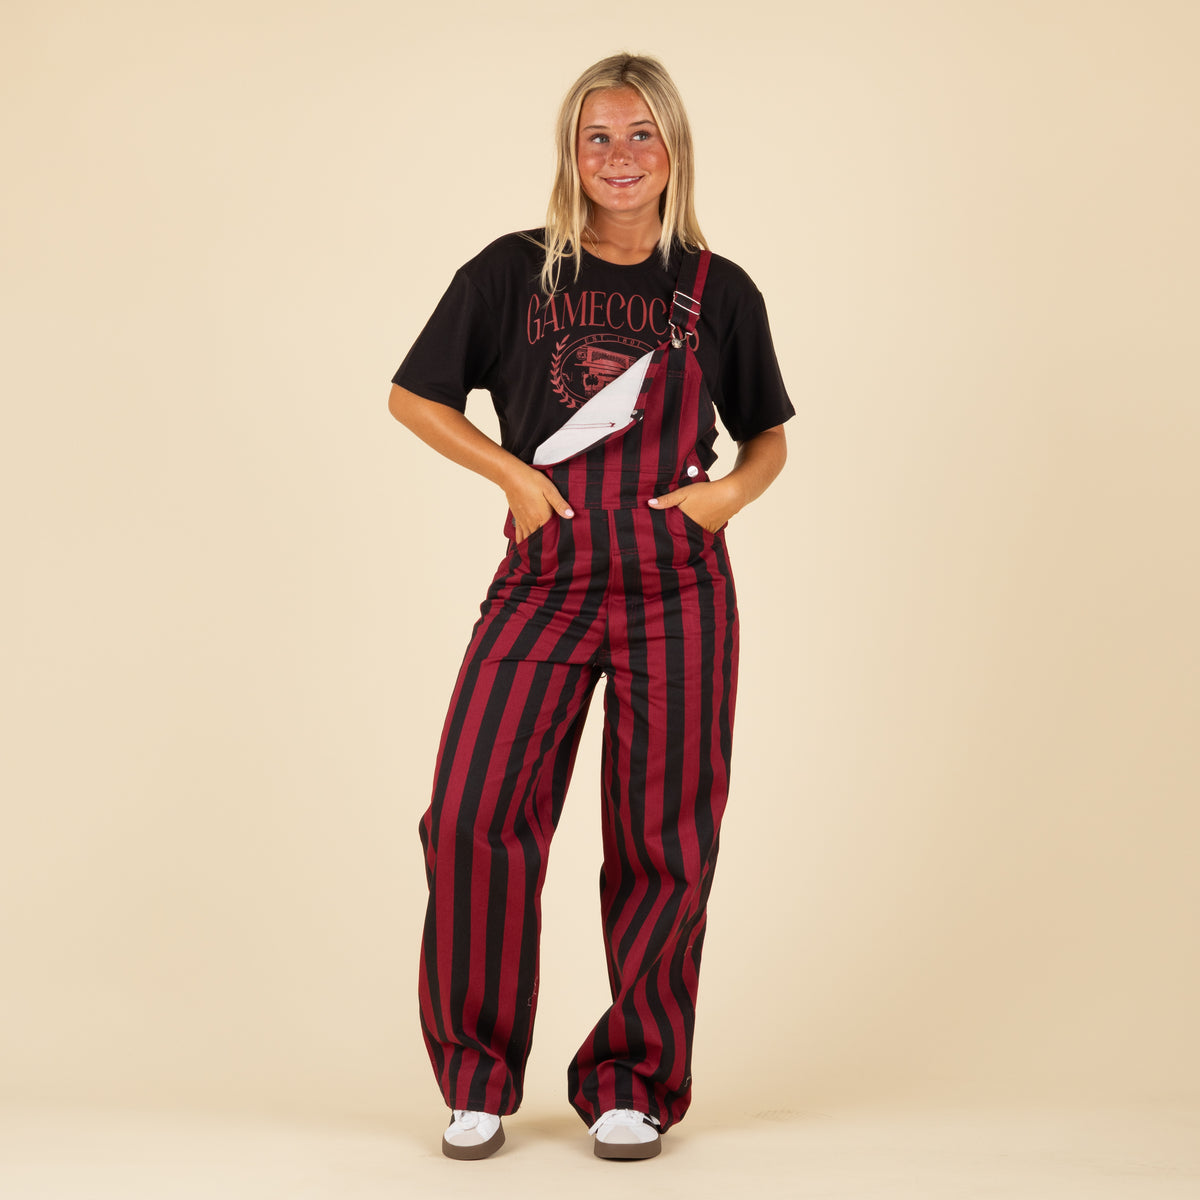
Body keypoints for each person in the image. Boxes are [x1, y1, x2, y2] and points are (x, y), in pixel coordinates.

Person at [387, 53, 794, 1161]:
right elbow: (413, 395)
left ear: (675, 150)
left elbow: (769, 437)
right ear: (571, 153)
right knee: (473, 815)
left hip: (677, 582)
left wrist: (721, 503)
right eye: (597, 137)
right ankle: (476, 1076)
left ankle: (635, 1079)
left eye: (641, 136)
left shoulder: (717, 289)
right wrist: (515, 479)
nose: (619, 158)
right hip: (546, 576)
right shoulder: (513, 272)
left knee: (663, 837)